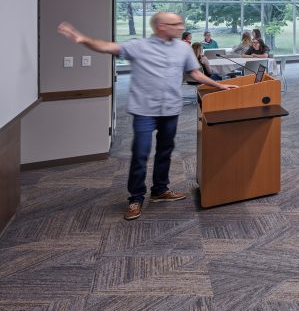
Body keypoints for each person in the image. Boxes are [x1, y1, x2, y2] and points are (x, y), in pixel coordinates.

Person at [58, 14, 234, 221]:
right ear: (161, 27)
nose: (181, 27)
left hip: (170, 109)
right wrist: (82, 39)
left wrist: (219, 85)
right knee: (140, 154)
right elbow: (107, 47)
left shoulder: (183, 49)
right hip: (144, 111)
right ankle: (135, 198)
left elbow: (195, 74)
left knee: (165, 152)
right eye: (176, 24)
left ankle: (160, 190)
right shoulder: (140, 46)